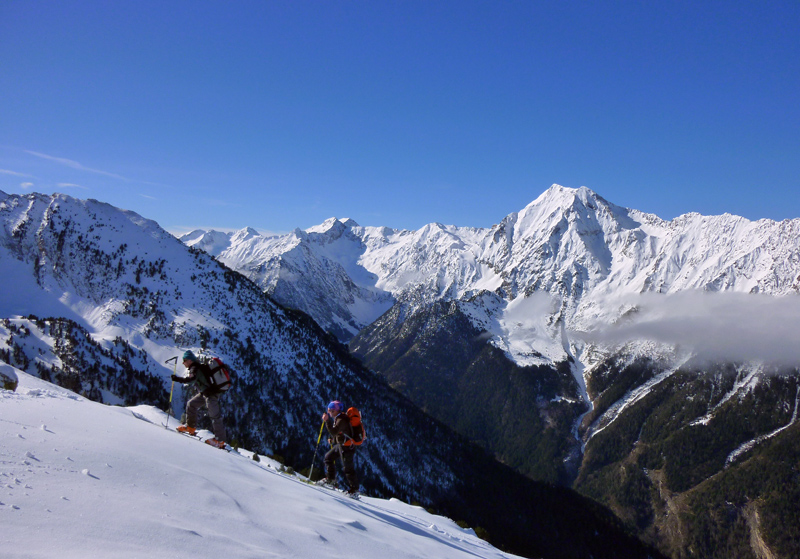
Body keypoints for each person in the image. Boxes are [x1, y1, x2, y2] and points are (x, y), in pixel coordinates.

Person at [172, 350, 227, 449]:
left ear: (189, 360)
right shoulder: (197, 367)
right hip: (205, 393)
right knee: (191, 404)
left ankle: (220, 441)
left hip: (210, 394)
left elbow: (190, 380)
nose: (183, 363)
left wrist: (177, 379)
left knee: (215, 416)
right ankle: (190, 427)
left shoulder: (194, 368)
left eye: (184, 360)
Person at [318, 400, 359, 495]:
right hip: (342, 445)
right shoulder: (340, 418)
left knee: (348, 468)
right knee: (328, 457)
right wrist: (333, 440)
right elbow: (341, 433)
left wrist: (327, 420)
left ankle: (354, 490)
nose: (329, 412)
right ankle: (330, 479)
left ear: (337, 411)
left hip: (347, 447)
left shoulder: (341, 420)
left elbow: (333, 432)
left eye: (331, 411)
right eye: (329, 410)